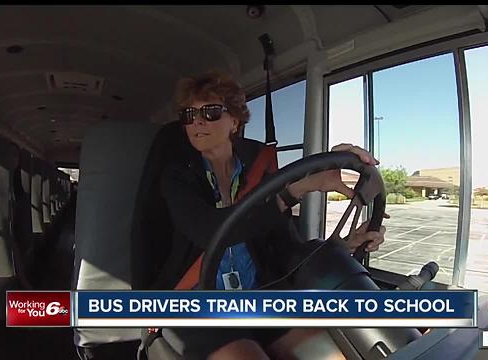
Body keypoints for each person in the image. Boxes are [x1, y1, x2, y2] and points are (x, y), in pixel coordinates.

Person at [158, 71, 387, 359]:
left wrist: (345, 244)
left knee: (329, 352)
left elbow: (287, 252)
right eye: (189, 114)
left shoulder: (261, 179)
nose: (198, 121)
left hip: (258, 295)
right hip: (195, 301)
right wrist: (295, 190)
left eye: (211, 112)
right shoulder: (177, 177)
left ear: (236, 122)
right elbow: (210, 232)